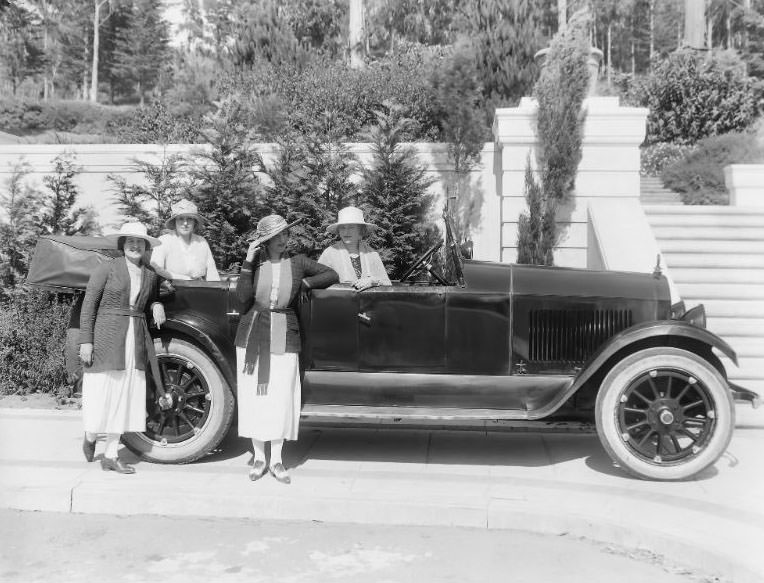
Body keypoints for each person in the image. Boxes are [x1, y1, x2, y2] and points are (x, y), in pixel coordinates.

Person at [236, 214, 338, 484]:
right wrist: (248, 260)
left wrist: (307, 283)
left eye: (285, 235)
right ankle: (259, 458)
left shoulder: (298, 262)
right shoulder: (255, 264)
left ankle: (278, 460)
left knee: (280, 396)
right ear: (265, 242)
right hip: (252, 334)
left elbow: (331, 274)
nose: (283, 240)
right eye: (276, 237)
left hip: (284, 332)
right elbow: (243, 299)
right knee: (256, 395)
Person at [79, 222, 167, 474]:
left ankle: (111, 455)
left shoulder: (150, 274)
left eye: (140, 242)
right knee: (102, 392)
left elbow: (156, 295)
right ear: (122, 244)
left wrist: (155, 304)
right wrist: (87, 340)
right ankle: (91, 433)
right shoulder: (106, 268)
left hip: (135, 339)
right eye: (130, 241)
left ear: (146, 247)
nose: (135, 245)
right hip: (107, 338)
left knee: (125, 395)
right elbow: (89, 305)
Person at [318, 206, 391, 291]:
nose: (346, 232)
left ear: (361, 230)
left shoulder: (372, 254)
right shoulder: (329, 253)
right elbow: (316, 282)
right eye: (343, 228)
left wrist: (373, 281)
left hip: (367, 302)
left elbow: (387, 284)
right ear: (339, 231)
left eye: (351, 227)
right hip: (338, 301)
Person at [150, 199, 220, 281]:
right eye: (181, 219)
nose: (185, 223)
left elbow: (212, 271)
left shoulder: (202, 242)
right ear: (174, 221)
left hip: (199, 288)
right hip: (171, 289)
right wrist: (185, 279)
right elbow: (156, 268)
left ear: (194, 222)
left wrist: (216, 290)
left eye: (189, 219)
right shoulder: (164, 241)